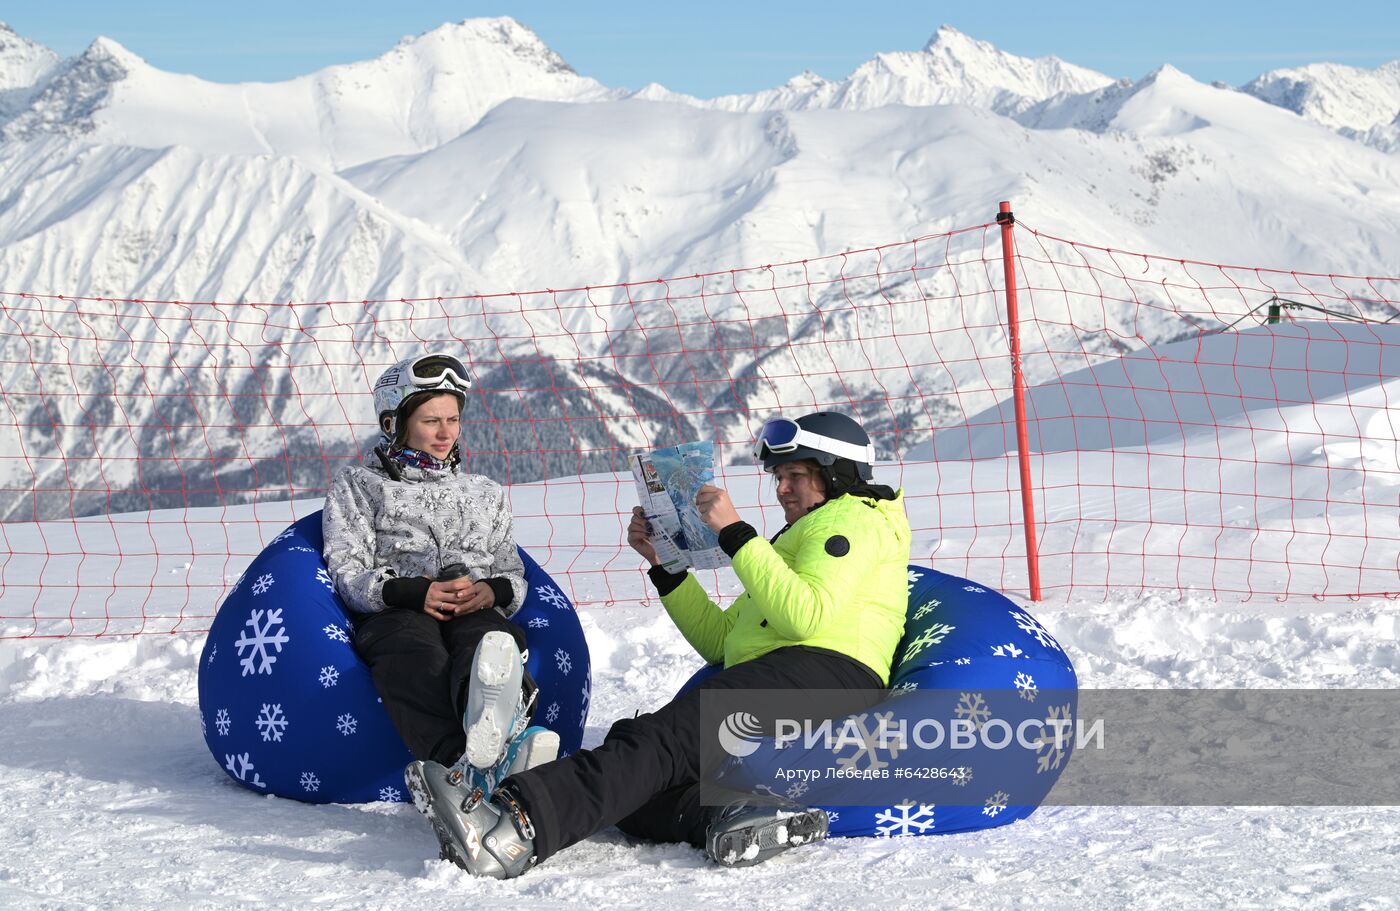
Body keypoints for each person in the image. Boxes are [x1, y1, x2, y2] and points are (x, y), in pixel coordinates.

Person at [407, 410, 911, 877]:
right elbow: (720, 641)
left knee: (657, 744)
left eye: (794, 476)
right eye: (778, 478)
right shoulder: (795, 536)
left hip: (825, 674)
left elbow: (806, 616)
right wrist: (663, 564)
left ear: (837, 472)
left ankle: (513, 829)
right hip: (793, 672)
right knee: (641, 773)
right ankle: (731, 815)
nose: (781, 489)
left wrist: (735, 532)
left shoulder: (851, 519)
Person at [322, 352, 557, 806]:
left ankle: (497, 727)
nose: (446, 432)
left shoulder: (485, 493)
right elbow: (347, 568)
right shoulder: (359, 485)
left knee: (490, 640)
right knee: (414, 653)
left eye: (453, 419)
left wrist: (492, 591)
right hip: (400, 610)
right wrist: (412, 592)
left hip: (473, 604)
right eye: (431, 421)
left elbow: (511, 569)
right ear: (395, 422)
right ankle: (460, 765)